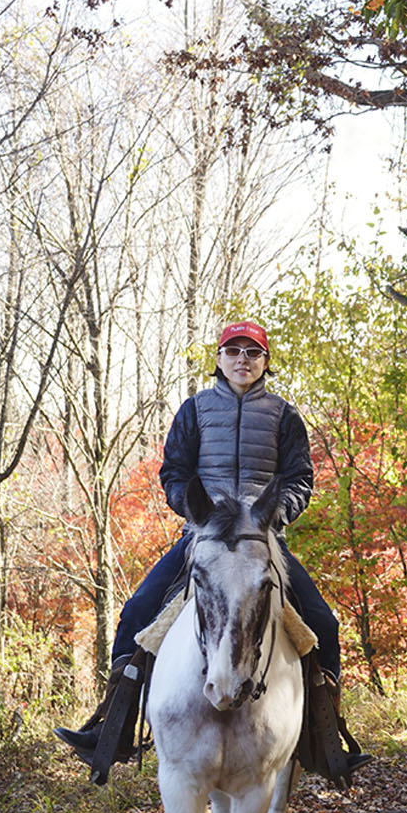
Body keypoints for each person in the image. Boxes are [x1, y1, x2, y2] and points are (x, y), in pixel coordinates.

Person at [55, 321, 369, 786]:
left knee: (322, 623)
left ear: (265, 360)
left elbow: (301, 478)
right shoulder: (194, 411)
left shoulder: (284, 416)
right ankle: (113, 729)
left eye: (253, 352)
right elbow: (174, 473)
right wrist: (198, 511)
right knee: (138, 611)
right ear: (219, 359)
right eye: (233, 350)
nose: (243, 359)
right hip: (202, 538)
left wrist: (272, 514)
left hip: (262, 540)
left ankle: (327, 743)